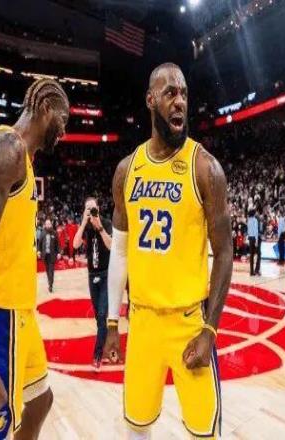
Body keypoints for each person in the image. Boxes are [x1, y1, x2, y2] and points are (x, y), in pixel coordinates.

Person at [103, 63, 233, 440]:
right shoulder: (127, 170)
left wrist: (210, 329)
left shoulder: (205, 168)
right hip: (142, 322)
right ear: (150, 100)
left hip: (190, 322)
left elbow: (224, 253)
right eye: (170, 93)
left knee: (203, 433)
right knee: (136, 427)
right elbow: (121, 252)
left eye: (184, 94)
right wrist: (111, 323)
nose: (180, 102)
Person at [0, 78, 69, 439]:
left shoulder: (25, 160)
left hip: (21, 312)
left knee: (40, 400)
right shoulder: (8, 147)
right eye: (63, 120)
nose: (63, 131)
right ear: (46, 107)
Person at [73, 197, 112, 370]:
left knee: (102, 315)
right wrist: (83, 222)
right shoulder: (86, 226)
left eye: (93, 209)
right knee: (99, 319)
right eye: (88, 210)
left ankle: (97, 356)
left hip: (106, 275)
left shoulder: (106, 223)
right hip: (92, 275)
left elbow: (111, 246)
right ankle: (107, 345)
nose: (91, 212)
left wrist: (100, 227)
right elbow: (75, 245)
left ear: (98, 208)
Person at [37, 219, 61, 293]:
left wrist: (59, 253)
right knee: (47, 270)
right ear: (45, 225)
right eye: (46, 224)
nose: (48, 225)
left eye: (49, 224)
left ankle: (50, 285)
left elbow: (58, 244)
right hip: (45, 255)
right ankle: (49, 281)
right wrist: (39, 251)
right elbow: (39, 244)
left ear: (51, 224)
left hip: (52, 255)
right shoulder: (42, 233)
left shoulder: (54, 233)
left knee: (51, 270)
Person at [247, 209, 261, 276]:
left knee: (251, 255)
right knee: (258, 254)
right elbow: (256, 231)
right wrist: (257, 241)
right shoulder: (255, 220)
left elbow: (248, 231)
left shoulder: (248, 220)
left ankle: (251, 271)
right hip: (254, 238)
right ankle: (257, 270)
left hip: (250, 238)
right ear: (254, 214)